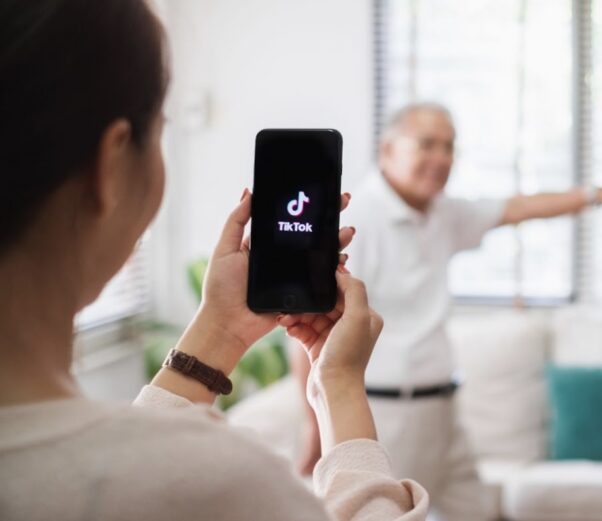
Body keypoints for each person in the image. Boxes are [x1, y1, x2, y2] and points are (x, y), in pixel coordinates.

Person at [0, 1, 427, 519]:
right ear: (110, 165)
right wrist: (338, 387)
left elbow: (134, 459)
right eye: (161, 130)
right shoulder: (218, 482)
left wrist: (219, 331)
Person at [288, 102, 602, 519]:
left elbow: (518, 208)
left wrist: (597, 196)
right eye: (427, 145)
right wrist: (315, 422)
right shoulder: (354, 219)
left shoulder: (444, 213)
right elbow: (305, 329)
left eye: (449, 147)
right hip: (387, 414)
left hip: (444, 410)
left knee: (476, 510)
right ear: (388, 151)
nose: (442, 158)